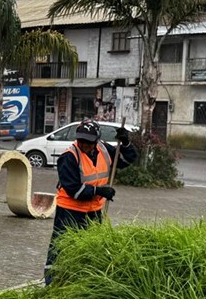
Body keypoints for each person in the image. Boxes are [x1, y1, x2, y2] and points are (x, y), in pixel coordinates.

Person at [44, 120, 137, 285]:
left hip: (93, 210)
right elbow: (74, 190)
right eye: (81, 141)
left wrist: (126, 143)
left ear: (96, 141)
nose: (84, 145)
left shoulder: (103, 149)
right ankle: (52, 283)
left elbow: (124, 160)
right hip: (70, 211)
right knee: (61, 247)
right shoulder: (69, 156)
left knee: (90, 247)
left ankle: (81, 281)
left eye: (89, 142)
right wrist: (99, 191)